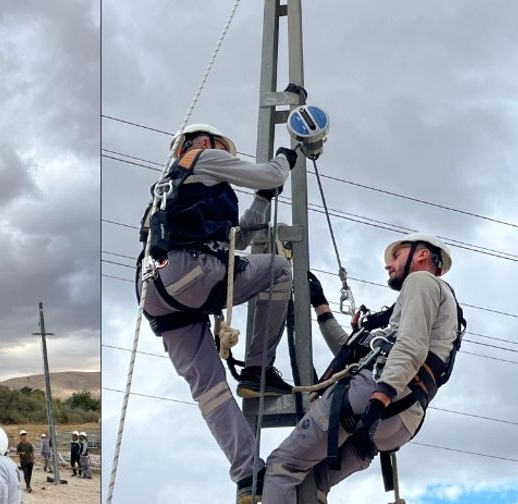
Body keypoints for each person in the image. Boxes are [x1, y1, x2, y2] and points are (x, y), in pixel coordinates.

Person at [136, 123, 297, 501]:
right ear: (206, 142)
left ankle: (248, 475)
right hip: (192, 271)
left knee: (209, 391)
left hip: (156, 292)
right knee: (278, 270)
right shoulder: (204, 156)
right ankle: (258, 368)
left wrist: (263, 200)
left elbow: (236, 237)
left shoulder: (170, 189)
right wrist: (283, 160)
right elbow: (272, 174)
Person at [263, 234, 464, 502]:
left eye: (396, 255)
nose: (388, 265)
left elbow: (411, 346)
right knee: (315, 484)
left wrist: (378, 402)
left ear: (422, 254)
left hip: (374, 397)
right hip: (401, 421)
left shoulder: (421, 281)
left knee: (282, 466)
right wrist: (321, 306)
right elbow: (352, 351)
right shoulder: (441, 314)